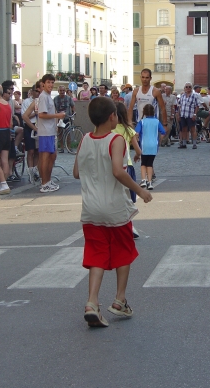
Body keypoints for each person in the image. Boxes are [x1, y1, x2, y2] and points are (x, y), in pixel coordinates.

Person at [73, 96, 152, 328]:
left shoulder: (85, 139)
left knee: (96, 253)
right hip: (114, 207)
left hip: (90, 208)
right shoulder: (116, 139)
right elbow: (118, 171)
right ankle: (119, 299)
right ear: (112, 117)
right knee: (123, 250)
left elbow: (77, 172)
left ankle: (92, 303)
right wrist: (140, 190)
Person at [113, 102, 142, 239]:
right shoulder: (128, 129)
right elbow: (138, 150)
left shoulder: (110, 129)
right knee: (129, 199)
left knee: (116, 198)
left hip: (114, 166)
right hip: (128, 166)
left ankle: (118, 226)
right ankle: (130, 225)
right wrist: (136, 155)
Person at [38, 74, 66, 193]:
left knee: (52, 156)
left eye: (52, 82)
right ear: (43, 84)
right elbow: (41, 114)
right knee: (46, 157)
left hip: (50, 130)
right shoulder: (43, 96)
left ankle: (47, 181)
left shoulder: (48, 96)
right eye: (48, 82)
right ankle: (44, 183)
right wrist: (57, 115)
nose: (50, 85)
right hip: (45, 131)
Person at [135, 104, 165, 190]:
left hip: (144, 145)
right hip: (153, 145)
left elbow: (136, 133)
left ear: (144, 112)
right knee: (150, 163)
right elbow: (163, 132)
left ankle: (143, 179)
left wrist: (137, 140)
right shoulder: (157, 121)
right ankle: (150, 182)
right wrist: (159, 141)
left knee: (143, 163)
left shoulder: (142, 122)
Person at [22, 81, 41, 184]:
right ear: (32, 92)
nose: (38, 93)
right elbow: (25, 116)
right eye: (36, 91)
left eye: (39, 91)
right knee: (30, 151)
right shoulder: (27, 102)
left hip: (39, 126)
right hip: (30, 127)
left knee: (37, 151)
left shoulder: (41, 100)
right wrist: (34, 113)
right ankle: (30, 172)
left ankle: (35, 171)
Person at [177, 82, 200, 149]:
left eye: (189, 87)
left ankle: (194, 144)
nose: (188, 88)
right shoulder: (182, 96)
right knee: (184, 129)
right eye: (186, 87)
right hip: (183, 115)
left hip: (190, 115)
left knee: (193, 129)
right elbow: (179, 106)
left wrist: (195, 114)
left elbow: (197, 106)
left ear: (191, 88)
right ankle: (184, 144)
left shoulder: (194, 95)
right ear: (184, 88)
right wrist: (178, 114)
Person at [54, 85, 75, 153]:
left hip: (67, 118)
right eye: (60, 91)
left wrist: (73, 113)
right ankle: (62, 147)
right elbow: (53, 108)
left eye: (63, 90)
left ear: (65, 91)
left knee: (68, 133)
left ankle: (69, 147)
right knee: (60, 133)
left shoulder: (68, 98)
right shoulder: (55, 99)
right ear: (58, 91)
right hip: (59, 118)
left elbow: (73, 106)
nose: (62, 92)